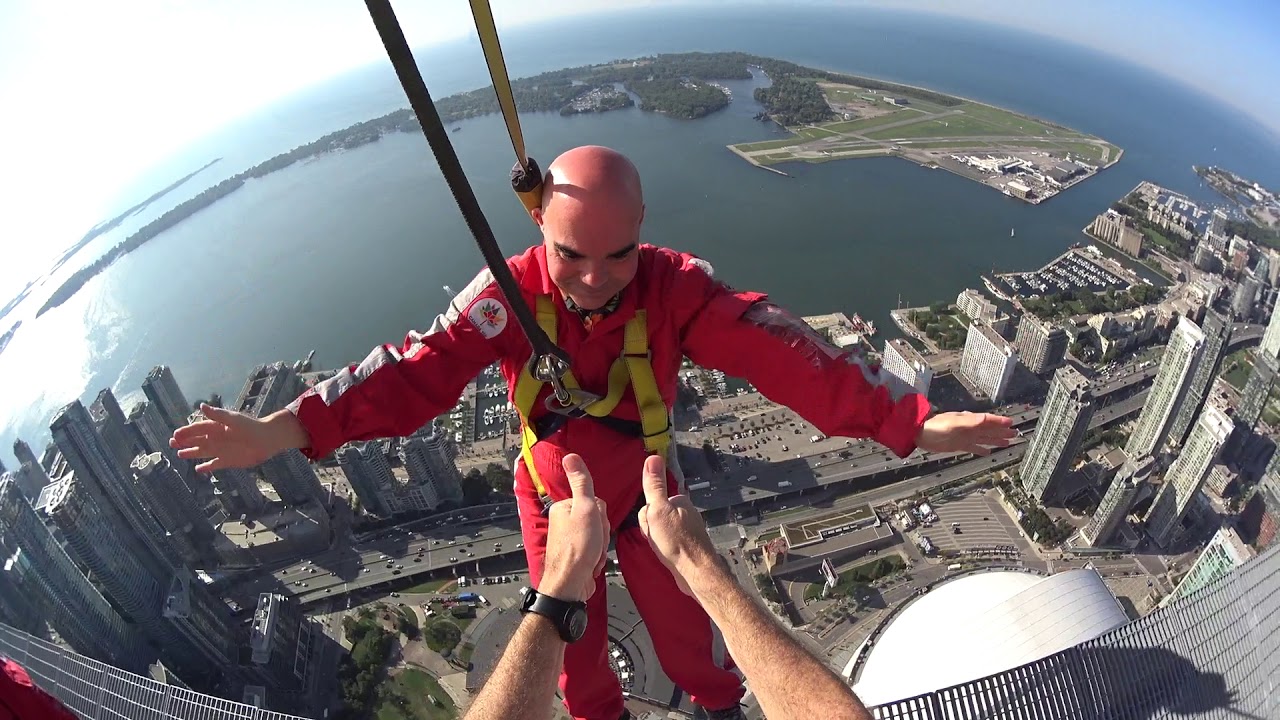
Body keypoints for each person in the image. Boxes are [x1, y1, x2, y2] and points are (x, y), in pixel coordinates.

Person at [171, 145, 1014, 720]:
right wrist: (286, 429)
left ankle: (718, 708)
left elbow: (780, 349)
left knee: (691, 638)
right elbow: (413, 369)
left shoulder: (672, 287)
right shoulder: (506, 294)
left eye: (618, 255)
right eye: (573, 254)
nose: (596, 279)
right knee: (576, 660)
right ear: (541, 227)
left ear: (642, 233)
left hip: (647, 490)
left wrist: (907, 422)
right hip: (558, 497)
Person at [464, 453, 873, 720]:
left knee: (588, 665)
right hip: (635, 474)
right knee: (682, 635)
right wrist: (698, 565)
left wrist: (560, 583)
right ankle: (720, 707)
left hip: (564, 485)